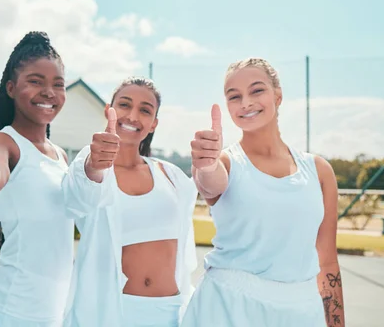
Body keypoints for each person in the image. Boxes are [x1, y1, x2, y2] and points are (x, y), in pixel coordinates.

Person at [182, 58, 345, 327]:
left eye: (256, 90)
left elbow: (327, 263)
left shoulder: (319, 170)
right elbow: (209, 181)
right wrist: (205, 164)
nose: (245, 102)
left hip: (303, 312)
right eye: (234, 96)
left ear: (277, 96)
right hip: (227, 308)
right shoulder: (225, 162)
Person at [0, 31, 74, 327]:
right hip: (9, 314)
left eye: (57, 85)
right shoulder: (3, 142)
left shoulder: (60, 156)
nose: (49, 92)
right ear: (11, 88)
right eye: (35, 81)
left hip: (51, 316)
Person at [62, 76, 198, 327]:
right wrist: (94, 164)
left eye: (145, 110)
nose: (133, 116)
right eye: (125, 105)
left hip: (169, 312)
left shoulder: (171, 175)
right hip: (114, 313)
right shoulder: (90, 166)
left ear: (154, 123)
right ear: (108, 111)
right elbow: (76, 200)